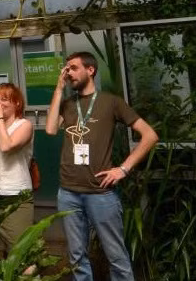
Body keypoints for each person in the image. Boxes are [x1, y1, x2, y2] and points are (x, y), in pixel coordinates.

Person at [46, 52, 158, 281]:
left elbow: (150, 135)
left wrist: (123, 169)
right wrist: (58, 89)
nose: (69, 73)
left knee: (116, 256)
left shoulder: (111, 101)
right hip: (68, 192)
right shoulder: (68, 104)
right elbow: (49, 129)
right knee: (77, 257)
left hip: (101, 193)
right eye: (66, 69)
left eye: (74, 68)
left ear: (91, 70)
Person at [0, 82, 34, 253]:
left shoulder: (25, 125)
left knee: (21, 252)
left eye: (4, 99)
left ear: (17, 103)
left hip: (16, 195)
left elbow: (7, 147)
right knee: (7, 252)